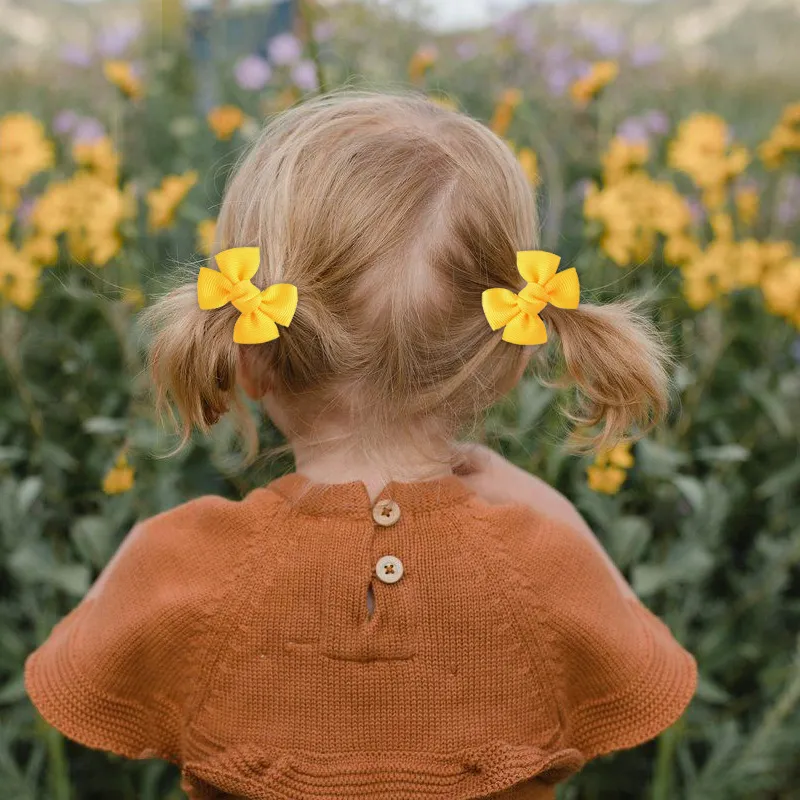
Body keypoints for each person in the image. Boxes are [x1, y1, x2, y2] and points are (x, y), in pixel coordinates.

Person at [24, 90, 697, 800]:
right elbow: (654, 667)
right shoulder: (543, 566)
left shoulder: (187, 567)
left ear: (247, 354)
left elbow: (64, 671)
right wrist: (555, 509)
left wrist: (140, 548)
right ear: (509, 358)